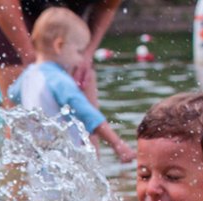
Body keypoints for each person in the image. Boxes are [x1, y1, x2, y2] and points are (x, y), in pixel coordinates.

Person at [8, 8, 134, 162]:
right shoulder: (59, 81)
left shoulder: (27, 76)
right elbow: (90, 116)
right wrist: (117, 144)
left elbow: (12, 97)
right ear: (59, 46)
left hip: (37, 159)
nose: (81, 59)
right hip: (65, 159)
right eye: (79, 52)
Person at [0, 0, 120, 106]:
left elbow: (107, 7)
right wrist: (28, 56)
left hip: (66, 14)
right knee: (23, 116)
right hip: (10, 10)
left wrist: (87, 54)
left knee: (86, 118)